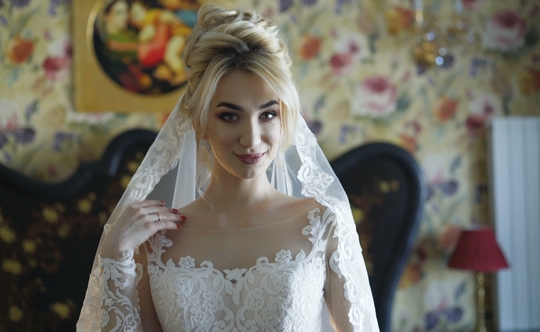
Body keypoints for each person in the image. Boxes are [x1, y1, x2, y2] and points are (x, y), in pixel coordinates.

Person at [77, 4, 379, 331]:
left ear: (286, 118)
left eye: (268, 114)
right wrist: (114, 253)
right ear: (200, 121)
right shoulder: (154, 240)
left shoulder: (323, 222)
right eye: (229, 116)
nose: (251, 140)